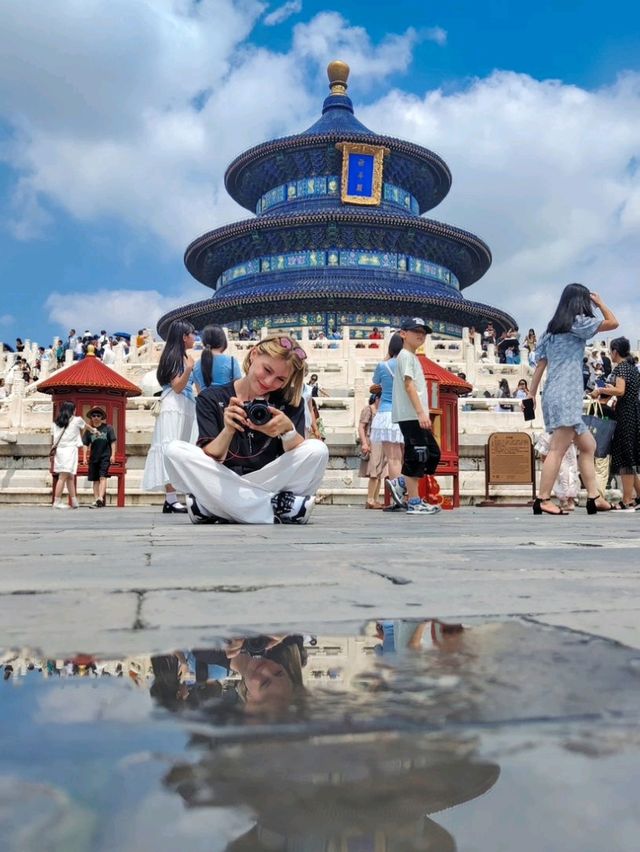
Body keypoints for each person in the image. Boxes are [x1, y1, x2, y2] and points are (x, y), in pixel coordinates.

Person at [164, 335, 329, 524]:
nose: (269, 382)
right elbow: (212, 456)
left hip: (269, 478)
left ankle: (213, 507)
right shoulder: (211, 397)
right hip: (224, 475)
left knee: (318, 450)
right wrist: (228, 430)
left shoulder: (290, 402)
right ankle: (278, 507)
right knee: (173, 451)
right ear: (253, 355)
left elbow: (301, 455)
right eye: (267, 370)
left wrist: (287, 431)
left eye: (280, 379)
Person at [527, 284, 618, 515]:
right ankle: (543, 499)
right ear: (580, 302)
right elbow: (613, 323)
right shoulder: (578, 323)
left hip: (553, 393)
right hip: (567, 393)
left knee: (589, 446)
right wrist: (600, 303)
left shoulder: (551, 331)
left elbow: (540, 365)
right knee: (557, 450)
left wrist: (530, 394)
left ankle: (594, 496)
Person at [387, 318, 441, 515]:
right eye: (415, 331)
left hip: (415, 415)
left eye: (423, 332)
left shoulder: (411, 356)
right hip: (411, 415)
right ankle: (414, 501)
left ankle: (401, 482)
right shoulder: (406, 356)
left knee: (432, 453)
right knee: (417, 455)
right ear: (403, 334)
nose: (420, 335)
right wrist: (420, 413)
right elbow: (409, 386)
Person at [142, 320, 196, 513]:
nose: (195, 337)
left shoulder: (182, 356)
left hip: (185, 405)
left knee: (180, 448)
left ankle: (173, 497)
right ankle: (171, 498)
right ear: (183, 336)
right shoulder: (175, 357)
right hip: (174, 404)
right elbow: (177, 386)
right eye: (192, 333)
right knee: (170, 446)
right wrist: (189, 368)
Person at [590, 336, 640, 510]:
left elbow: (620, 390)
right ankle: (638, 496)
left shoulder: (621, 369)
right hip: (633, 414)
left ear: (615, 351)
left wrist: (600, 389)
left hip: (625, 415)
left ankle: (627, 500)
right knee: (630, 457)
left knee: (626, 459)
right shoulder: (632, 368)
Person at [370, 332, 405, 486]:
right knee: (400, 456)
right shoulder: (408, 364)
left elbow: (375, 380)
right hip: (403, 414)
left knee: (392, 458)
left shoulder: (383, 365)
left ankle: (397, 493)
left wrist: (386, 357)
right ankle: (406, 492)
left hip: (385, 413)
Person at [51, 401, 96, 509]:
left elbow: (53, 437)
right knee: (63, 476)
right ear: (72, 410)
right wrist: (94, 430)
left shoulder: (56, 422)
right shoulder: (76, 420)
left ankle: (74, 500)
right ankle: (56, 501)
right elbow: (86, 426)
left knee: (70, 476)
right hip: (69, 450)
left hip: (60, 451)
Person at [82, 407, 116, 508]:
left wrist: (113, 455)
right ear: (91, 417)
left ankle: (101, 498)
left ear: (102, 417)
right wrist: (84, 457)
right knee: (95, 479)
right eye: (94, 415)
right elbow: (85, 444)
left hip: (105, 456)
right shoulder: (89, 430)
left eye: (98, 415)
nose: (96, 417)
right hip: (93, 457)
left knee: (102, 477)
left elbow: (113, 442)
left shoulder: (108, 428)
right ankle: (96, 499)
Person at [192, 325, 242, 393]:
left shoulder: (196, 365)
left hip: (205, 402)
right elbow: (239, 389)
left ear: (204, 342)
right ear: (223, 341)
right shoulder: (231, 362)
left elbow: (199, 392)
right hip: (227, 402)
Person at [358, 393, 387, 509]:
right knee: (374, 471)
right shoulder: (369, 409)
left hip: (382, 441)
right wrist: (364, 442)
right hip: (372, 440)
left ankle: (375, 499)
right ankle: (370, 499)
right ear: (377, 399)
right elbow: (361, 427)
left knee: (380, 472)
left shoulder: (383, 411)